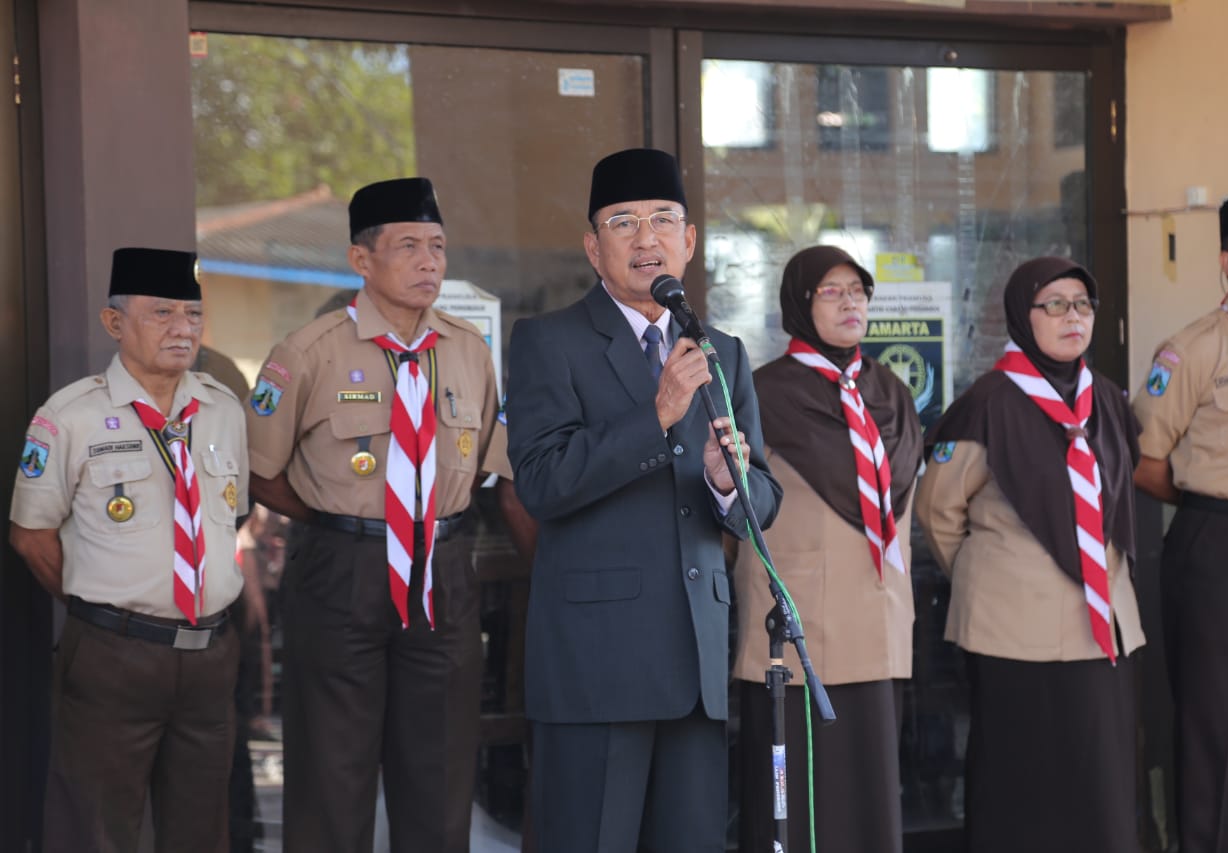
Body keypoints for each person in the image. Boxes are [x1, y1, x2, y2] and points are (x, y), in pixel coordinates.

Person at [505, 147, 782, 851]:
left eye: (664, 220)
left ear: (689, 241)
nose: (646, 237)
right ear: (593, 248)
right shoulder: (549, 340)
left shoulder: (719, 347)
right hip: (596, 665)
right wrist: (655, 416)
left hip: (695, 665)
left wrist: (728, 481)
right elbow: (541, 481)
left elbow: (763, 496)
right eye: (623, 223)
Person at [243, 177, 514, 852]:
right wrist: (344, 522)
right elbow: (256, 469)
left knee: (441, 774)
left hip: (443, 571)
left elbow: (487, 463)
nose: (430, 262)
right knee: (332, 780)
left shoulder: (469, 352)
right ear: (361, 260)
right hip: (342, 568)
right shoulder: (306, 351)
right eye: (410, 246)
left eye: (439, 247)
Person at [9, 247, 249, 852]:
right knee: (93, 827)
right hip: (113, 654)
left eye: (192, 315)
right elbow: (31, 535)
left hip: (209, 654)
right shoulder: (70, 416)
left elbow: (231, 516)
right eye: (162, 312)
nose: (182, 328)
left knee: (201, 828)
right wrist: (103, 606)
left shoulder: (221, 410)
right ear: (114, 323)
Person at [915, 257, 1145, 853]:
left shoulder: (1109, 401)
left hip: (1101, 625)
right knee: (1023, 781)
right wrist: (989, 581)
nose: (1073, 317)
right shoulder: (988, 401)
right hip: (1011, 627)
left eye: (1083, 304)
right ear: (1023, 314)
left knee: (1101, 779)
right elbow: (938, 512)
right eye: (1056, 304)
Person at [734, 245, 921, 852]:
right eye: (832, 291)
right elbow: (729, 508)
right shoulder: (763, 391)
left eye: (858, 291)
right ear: (798, 303)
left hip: (879, 619)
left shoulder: (889, 391)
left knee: (870, 797)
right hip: (801, 627)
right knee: (805, 810)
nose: (850, 303)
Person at [1131, 181, 1228, 853]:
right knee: (1223, 738)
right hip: (1227, 546)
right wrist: (1213, 502)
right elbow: (1143, 458)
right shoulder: (1193, 349)